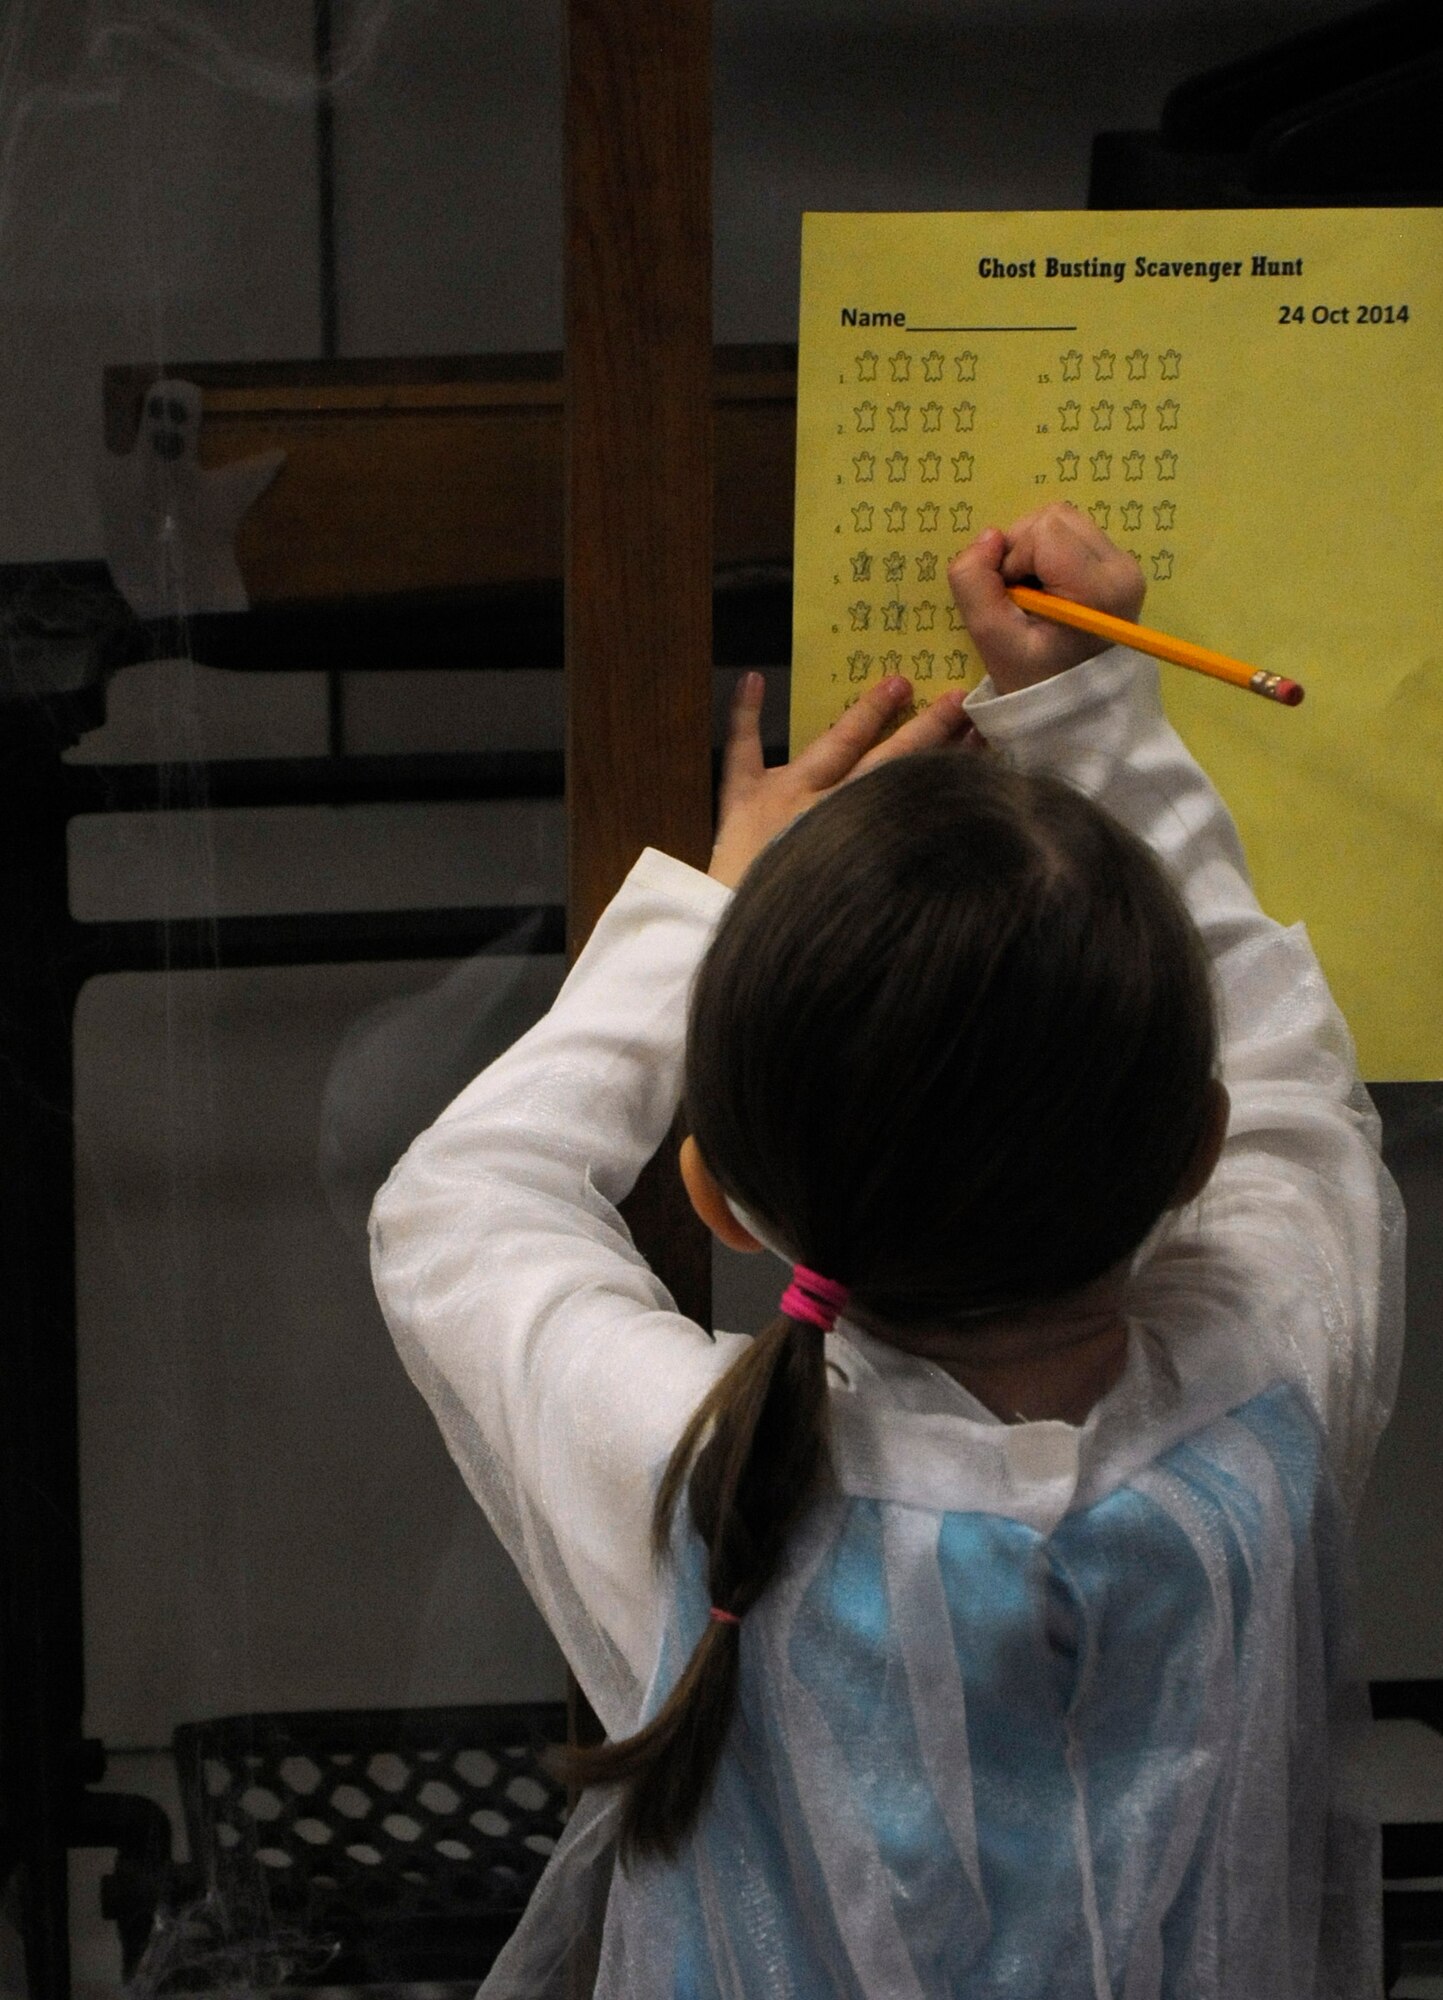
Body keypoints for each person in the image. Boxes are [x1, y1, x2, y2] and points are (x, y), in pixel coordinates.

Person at [369, 505, 1403, 1998]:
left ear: (718, 1198)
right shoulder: (1273, 1390)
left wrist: (719, 901)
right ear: (1195, 1150)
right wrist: (1093, 710)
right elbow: (1303, 1101)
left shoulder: (703, 1485)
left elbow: (463, 1201)